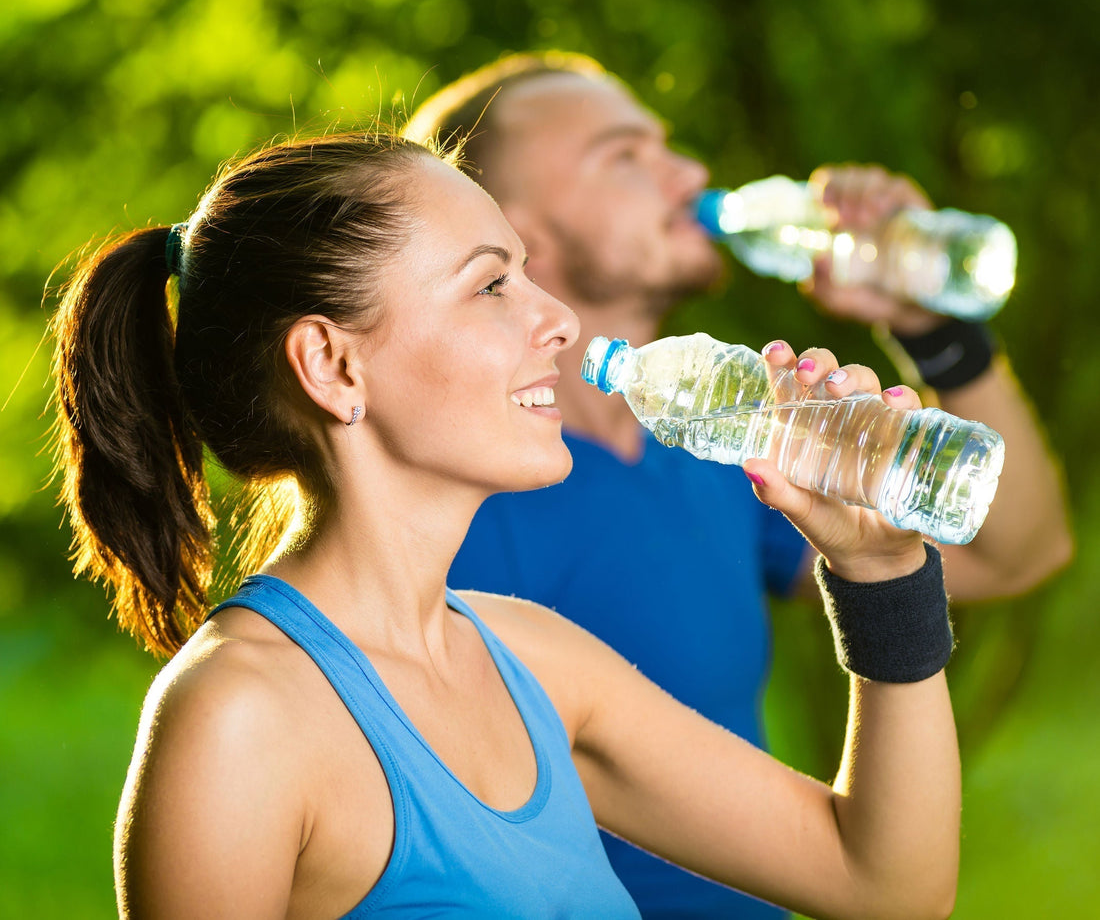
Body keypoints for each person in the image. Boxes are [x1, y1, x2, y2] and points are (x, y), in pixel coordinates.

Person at [51, 129, 961, 919]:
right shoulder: (238, 719)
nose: (560, 320)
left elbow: (886, 881)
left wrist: (881, 574)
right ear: (331, 365)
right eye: (491, 286)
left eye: (527, 272)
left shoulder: (539, 662)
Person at [402, 53, 1074, 918]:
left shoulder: (713, 442)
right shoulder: (445, 502)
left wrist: (933, 325)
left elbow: (1020, 549)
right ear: (509, 227)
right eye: (626, 157)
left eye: (668, 146)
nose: (688, 175)